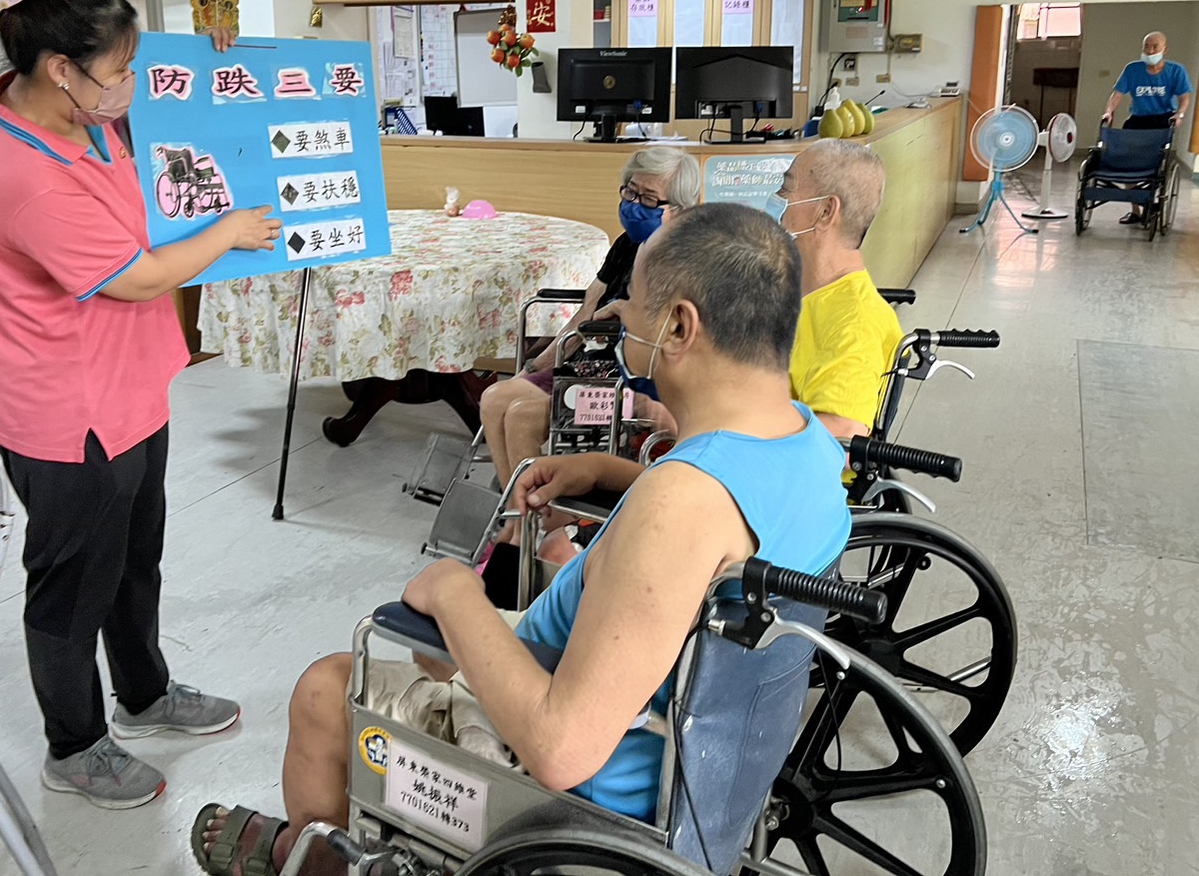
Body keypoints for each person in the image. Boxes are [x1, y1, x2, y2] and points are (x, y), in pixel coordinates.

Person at [191, 204, 853, 876]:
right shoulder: (805, 445)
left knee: (326, 688)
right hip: (705, 762)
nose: (621, 329)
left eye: (634, 315)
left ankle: (317, 853)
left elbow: (562, 748)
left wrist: (453, 593)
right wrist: (614, 472)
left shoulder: (678, 504)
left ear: (680, 325)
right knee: (442, 653)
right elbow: (717, 535)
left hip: (580, 801)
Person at [0, 0, 281, 809]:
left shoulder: (83, 119)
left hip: (129, 389)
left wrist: (213, 62)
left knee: (134, 559)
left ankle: (143, 694)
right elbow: (139, 275)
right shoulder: (26, 176)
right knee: (72, 588)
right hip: (66, 413)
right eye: (123, 68)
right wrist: (230, 232)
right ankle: (72, 745)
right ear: (61, 69)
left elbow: (172, 136)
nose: (133, 83)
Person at [478, 145, 700, 490]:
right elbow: (586, 314)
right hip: (587, 366)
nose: (634, 205)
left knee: (521, 415)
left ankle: (541, 524)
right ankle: (519, 519)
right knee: (495, 398)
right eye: (631, 191)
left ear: (679, 208)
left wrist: (623, 312)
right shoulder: (627, 245)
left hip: (628, 385)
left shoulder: (685, 262)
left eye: (649, 199)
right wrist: (536, 365)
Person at [769, 138, 904, 439]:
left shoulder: (855, 322)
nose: (777, 199)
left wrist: (733, 433)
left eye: (786, 188)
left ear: (826, 212)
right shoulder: (804, 291)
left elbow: (840, 439)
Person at [1101, 31, 1193, 225]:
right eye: (1146, 46)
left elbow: (1184, 96)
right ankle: (1136, 210)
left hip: (1163, 120)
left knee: (1154, 164)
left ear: (1164, 49)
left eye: (1154, 47)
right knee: (1128, 160)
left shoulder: (1176, 71)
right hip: (1138, 118)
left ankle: (1151, 201)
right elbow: (1117, 94)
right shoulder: (1133, 69)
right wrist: (1109, 112)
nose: (1150, 50)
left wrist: (1180, 114)